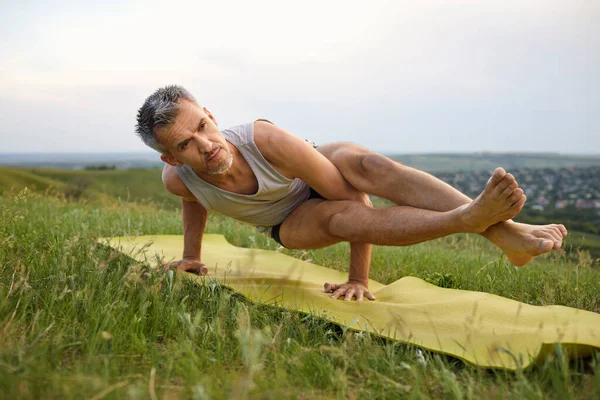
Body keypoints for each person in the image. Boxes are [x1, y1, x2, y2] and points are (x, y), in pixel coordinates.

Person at [135, 85, 568, 301]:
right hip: (288, 221)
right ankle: (476, 222)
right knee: (339, 220)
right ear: (172, 160)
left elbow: (353, 194)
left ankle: (502, 231)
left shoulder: (264, 139)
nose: (206, 144)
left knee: (369, 166)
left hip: (314, 169)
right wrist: (193, 257)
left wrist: (359, 276)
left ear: (210, 115)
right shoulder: (180, 180)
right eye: (186, 144)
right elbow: (195, 202)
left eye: (202, 127)